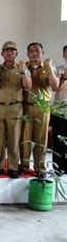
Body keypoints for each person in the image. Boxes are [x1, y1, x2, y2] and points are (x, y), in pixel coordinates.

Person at [0, 41, 32, 178]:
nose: (9, 53)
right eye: (6, 50)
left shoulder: (23, 68)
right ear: (2, 53)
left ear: (16, 53)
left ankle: (13, 167)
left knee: (14, 139)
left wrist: (22, 72)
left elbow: (28, 86)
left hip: (15, 107)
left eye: (12, 50)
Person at [21, 42, 59, 177]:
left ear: (42, 52)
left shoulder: (49, 67)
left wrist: (49, 67)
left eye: (37, 51)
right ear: (27, 54)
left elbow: (55, 86)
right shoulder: (24, 67)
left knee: (41, 139)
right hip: (27, 106)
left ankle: (40, 167)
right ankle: (24, 165)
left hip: (43, 108)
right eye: (31, 51)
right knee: (25, 138)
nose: (35, 54)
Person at [52, 45, 67, 173]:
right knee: (58, 139)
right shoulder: (59, 70)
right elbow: (54, 88)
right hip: (60, 109)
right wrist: (64, 77)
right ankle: (58, 167)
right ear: (63, 55)